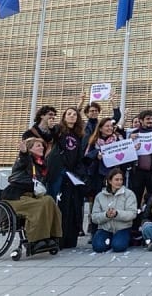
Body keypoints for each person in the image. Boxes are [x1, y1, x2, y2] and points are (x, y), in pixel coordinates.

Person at [1, 138, 62, 252]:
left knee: (49, 200)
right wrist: (23, 152)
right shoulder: (24, 159)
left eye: (42, 145)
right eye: (38, 146)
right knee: (39, 205)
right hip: (16, 196)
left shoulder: (41, 163)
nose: (42, 147)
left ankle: (52, 236)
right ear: (30, 149)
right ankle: (35, 240)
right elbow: (24, 161)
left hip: (31, 196)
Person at [50, 107, 86, 249]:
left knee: (73, 206)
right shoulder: (59, 130)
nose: (72, 116)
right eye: (69, 114)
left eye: (74, 115)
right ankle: (58, 238)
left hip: (73, 174)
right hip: (60, 173)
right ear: (64, 117)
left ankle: (71, 238)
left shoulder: (79, 134)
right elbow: (50, 134)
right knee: (60, 206)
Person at [91, 168, 138, 253]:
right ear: (109, 181)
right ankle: (112, 240)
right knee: (98, 247)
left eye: (121, 179)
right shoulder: (100, 196)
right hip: (105, 229)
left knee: (118, 247)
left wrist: (117, 214)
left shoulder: (129, 194)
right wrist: (106, 215)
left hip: (122, 228)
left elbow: (132, 213)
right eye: (116, 179)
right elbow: (94, 216)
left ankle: (125, 239)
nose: (119, 182)